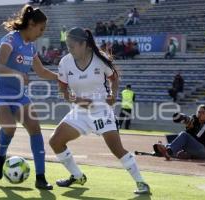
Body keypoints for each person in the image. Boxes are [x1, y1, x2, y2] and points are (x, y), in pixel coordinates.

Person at [49, 27, 150, 194]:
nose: (70, 50)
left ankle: (141, 183)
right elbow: (63, 91)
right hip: (79, 111)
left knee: (117, 150)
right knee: (55, 141)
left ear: (84, 44)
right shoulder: (65, 62)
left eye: (72, 46)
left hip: (101, 111)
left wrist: (113, 94)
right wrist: (77, 100)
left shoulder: (100, 60)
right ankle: (77, 175)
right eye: (68, 46)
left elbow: (114, 79)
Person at [0, 4, 57, 190]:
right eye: (41, 28)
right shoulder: (10, 40)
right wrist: (18, 75)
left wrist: (60, 78)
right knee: (9, 127)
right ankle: (1, 156)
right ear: (31, 24)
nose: (42, 33)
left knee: (35, 128)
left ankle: (41, 177)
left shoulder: (31, 47)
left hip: (18, 95)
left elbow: (40, 71)